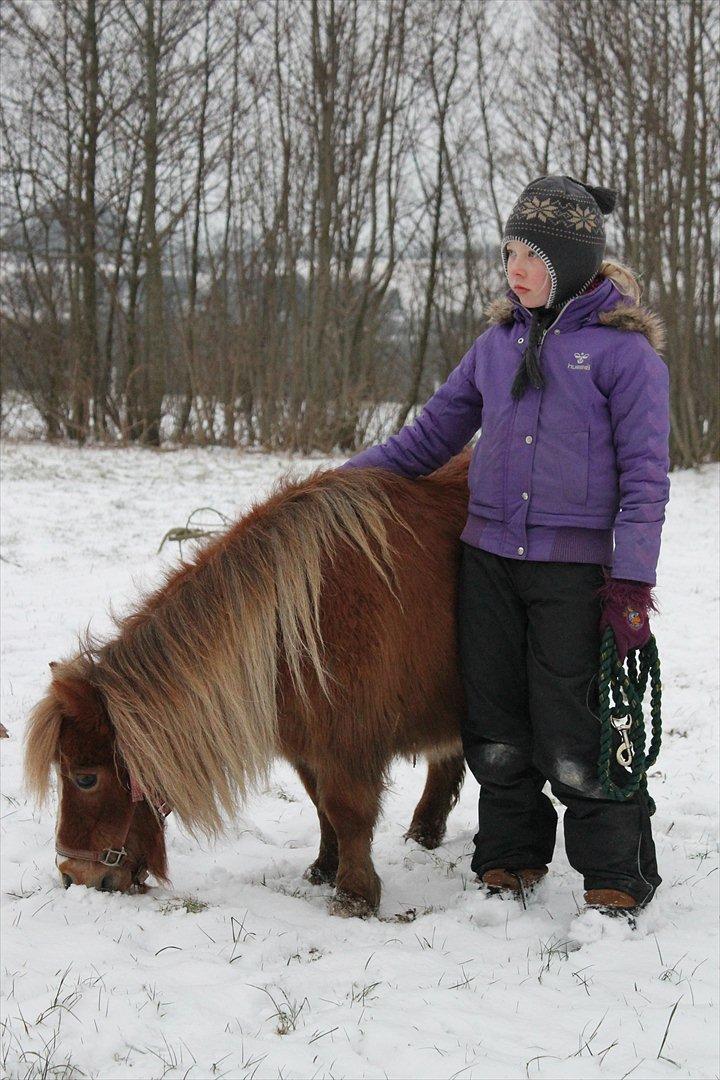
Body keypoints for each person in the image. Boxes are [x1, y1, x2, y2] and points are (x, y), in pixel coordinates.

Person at [342, 175, 670, 915]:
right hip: (486, 559)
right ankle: (510, 860)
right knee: (494, 723)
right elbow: (430, 437)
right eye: (508, 252)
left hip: (575, 572)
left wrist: (632, 585)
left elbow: (647, 483)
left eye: (530, 254)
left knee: (573, 728)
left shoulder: (625, 357)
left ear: (570, 260)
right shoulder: (496, 345)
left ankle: (615, 872)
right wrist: (334, 488)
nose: (513, 268)